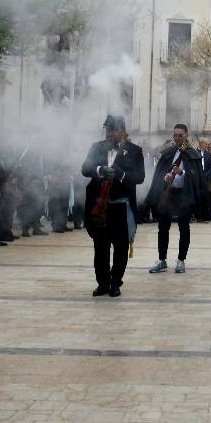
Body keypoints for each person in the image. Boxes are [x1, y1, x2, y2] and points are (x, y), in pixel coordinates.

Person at [82, 116, 145, 297]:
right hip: (100, 206)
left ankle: (115, 282)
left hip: (121, 208)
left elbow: (139, 177)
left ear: (123, 131)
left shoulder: (134, 150)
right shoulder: (97, 147)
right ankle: (102, 282)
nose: (110, 134)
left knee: (120, 247)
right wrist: (100, 170)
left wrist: (121, 174)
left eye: (113, 130)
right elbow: (85, 168)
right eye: (108, 130)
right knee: (100, 247)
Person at [145, 123, 203, 274]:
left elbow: (197, 178)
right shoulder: (168, 153)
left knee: (184, 228)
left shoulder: (193, 154)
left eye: (180, 135)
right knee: (163, 227)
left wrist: (182, 172)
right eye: (175, 135)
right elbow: (159, 173)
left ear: (186, 135)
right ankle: (162, 260)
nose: (177, 138)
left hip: (184, 195)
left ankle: (181, 260)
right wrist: (165, 177)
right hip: (168, 194)